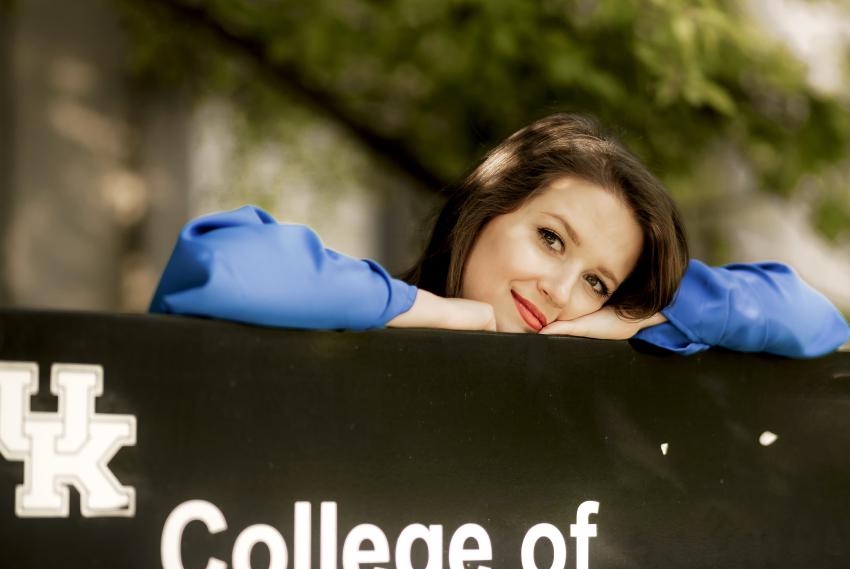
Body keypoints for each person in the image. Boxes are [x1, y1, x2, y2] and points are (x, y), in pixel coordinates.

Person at [149, 114, 849, 357]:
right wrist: (443, 313)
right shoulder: (360, 313)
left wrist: (650, 306)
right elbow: (220, 261)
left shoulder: (606, 372)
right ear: (485, 210)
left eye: (598, 281)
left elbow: (813, 320)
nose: (562, 289)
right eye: (551, 239)